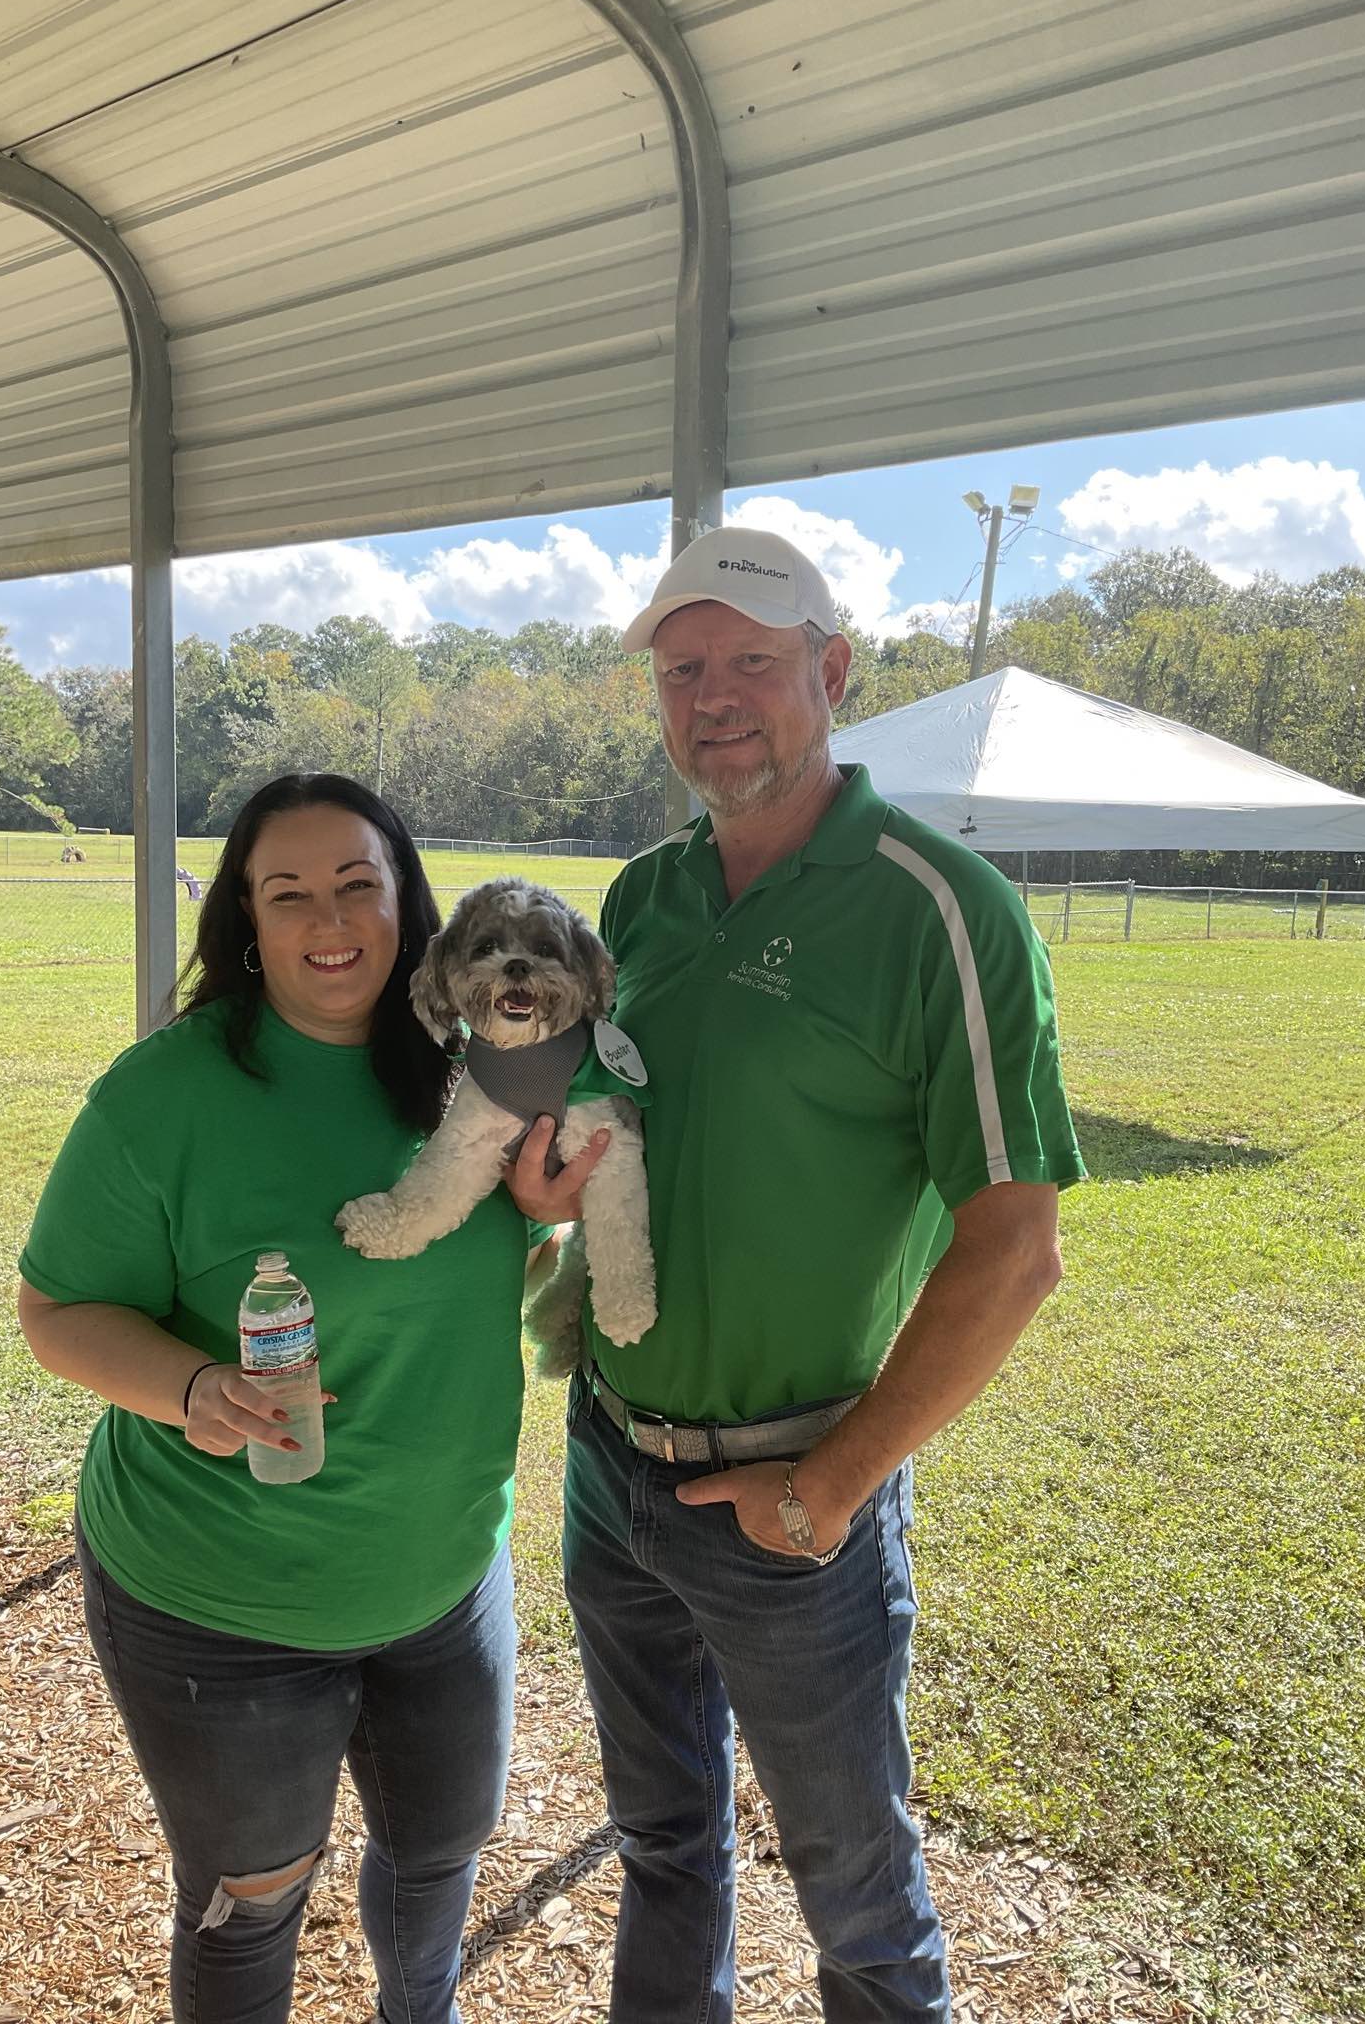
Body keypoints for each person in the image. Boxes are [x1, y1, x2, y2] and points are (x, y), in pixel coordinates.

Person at [509, 528, 1086, 2023]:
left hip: (789, 1505)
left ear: (831, 672)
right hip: (610, 1463)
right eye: (682, 668)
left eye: (751, 663)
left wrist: (832, 1488)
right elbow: (607, 1126)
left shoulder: (938, 908)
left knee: (857, 1895)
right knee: (664, 1847)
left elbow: (1016, 1249)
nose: (713, 697)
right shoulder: (636, 899)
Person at [18, 772, 573, 2024]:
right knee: (254, 1894)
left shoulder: (482, 1063)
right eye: (290, 892)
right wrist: (196, 1384)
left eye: (357, 884)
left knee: (439, 1855)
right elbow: (57, 1311)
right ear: (248, 923)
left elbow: (497, 1269)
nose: (330, 918)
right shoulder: (165, 1094)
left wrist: (549, 1218)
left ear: (405, 904)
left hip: (444, 1571)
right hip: (221, 1598)